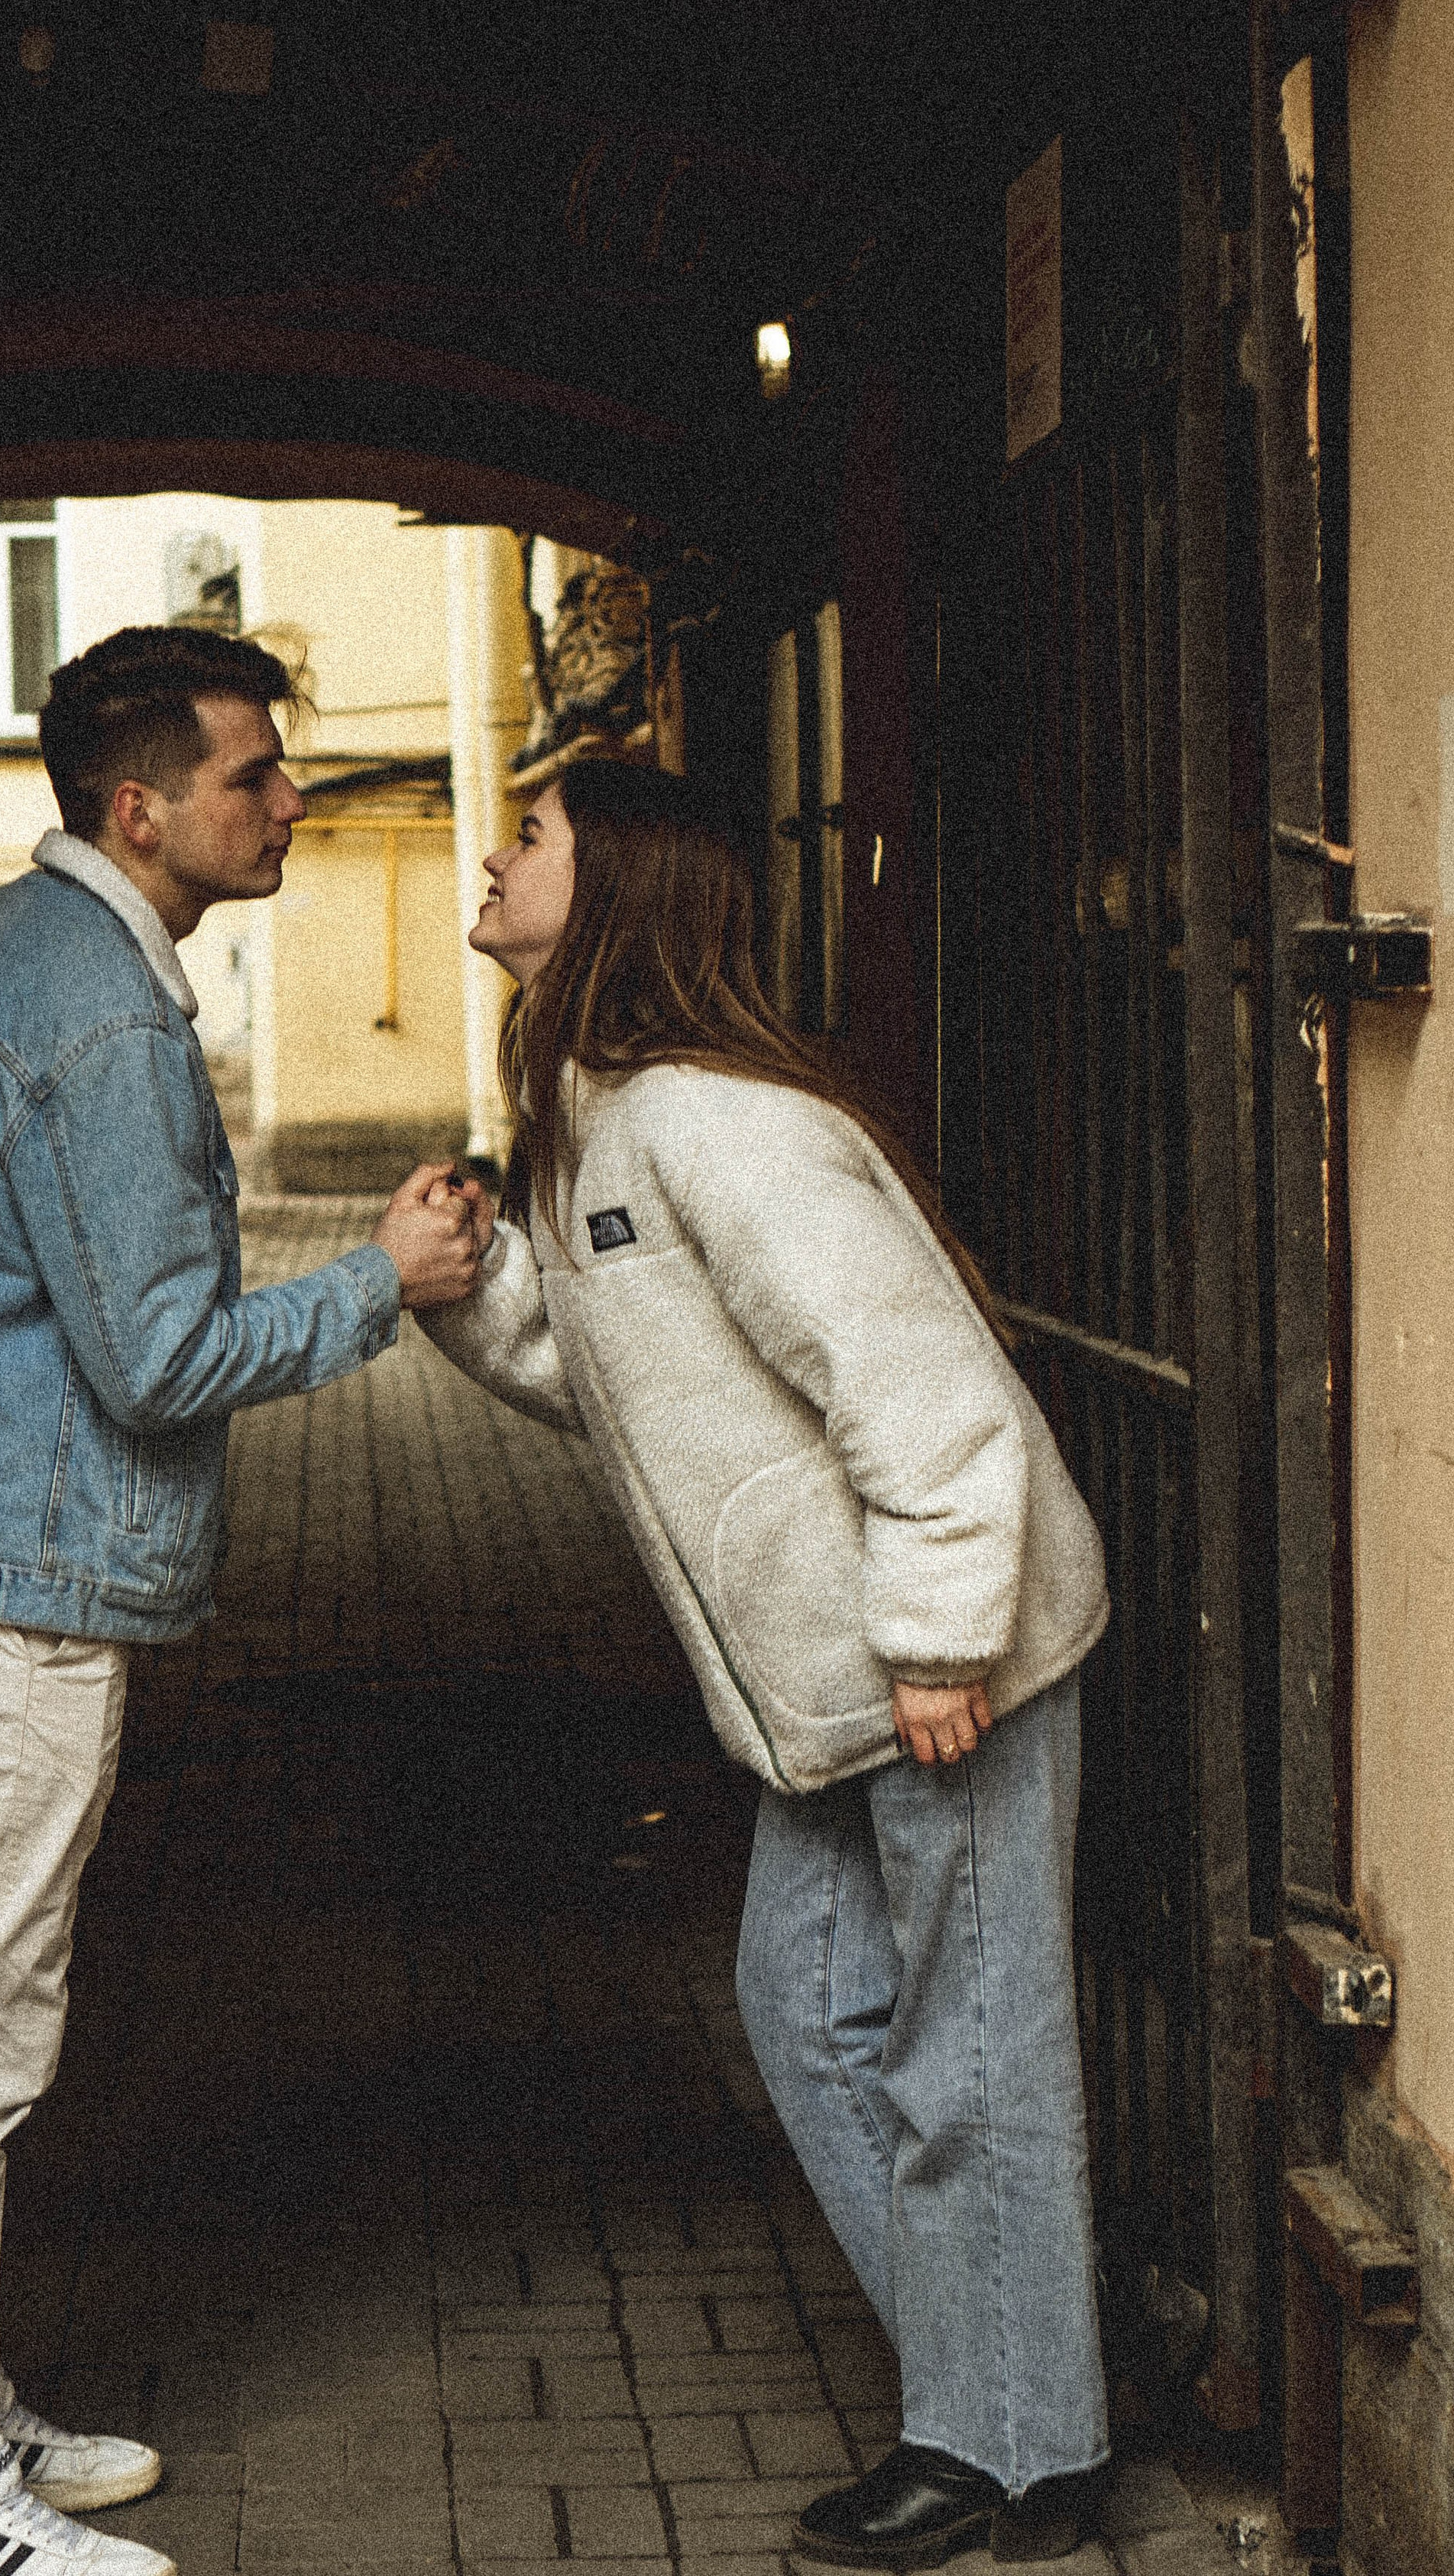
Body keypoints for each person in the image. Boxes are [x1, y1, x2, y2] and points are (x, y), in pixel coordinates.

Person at [0, 625, 486, 2576]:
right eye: (252, 776)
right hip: (5, 1592)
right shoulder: (103, 1015)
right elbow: (161, 1354)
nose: (291, 799)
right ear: (141, 807)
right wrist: (382, 1279)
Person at [416, 760, 1111, 2568]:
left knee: (970, 2056)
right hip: (830, 1698)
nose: (497, 854)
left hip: (934, 1664)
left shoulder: (718, 1124)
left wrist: (943, 1633)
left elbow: (918, 1388)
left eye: (536, 833)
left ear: (619, 878)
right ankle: (1012, 2379)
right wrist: (472, 1298)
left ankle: (1014, 2448)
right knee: (809, 2019)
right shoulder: (598, 1116)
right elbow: (621, 1394)